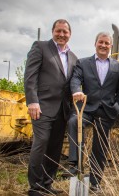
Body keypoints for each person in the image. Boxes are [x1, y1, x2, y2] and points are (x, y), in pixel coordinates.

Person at [24, 19, 78, 195]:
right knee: (41, 144)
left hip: (62, 109)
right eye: (59, 31)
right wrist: (32, 101)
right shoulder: (40, 47)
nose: (62, 35)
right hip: (42, 106)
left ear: (70, 34)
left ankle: (47, 184)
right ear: (53, 31)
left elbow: (71, 83)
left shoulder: (73, 57)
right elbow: (30, 76)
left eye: (65, 32)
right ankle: (35, 187)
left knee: (55, 148)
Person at [66, 32, 119, 193]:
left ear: (111, 46)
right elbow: (76, 79)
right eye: (101, 42)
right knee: (73, 122)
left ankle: (95, 182)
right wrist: (77, 91)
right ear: (95, 43)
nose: (104, 45)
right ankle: (75, 162)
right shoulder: (83, 63)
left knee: (100, 149)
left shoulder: (118, 66)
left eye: (107, 43)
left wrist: (118, 106)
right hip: (87, 108)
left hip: (106, 111)